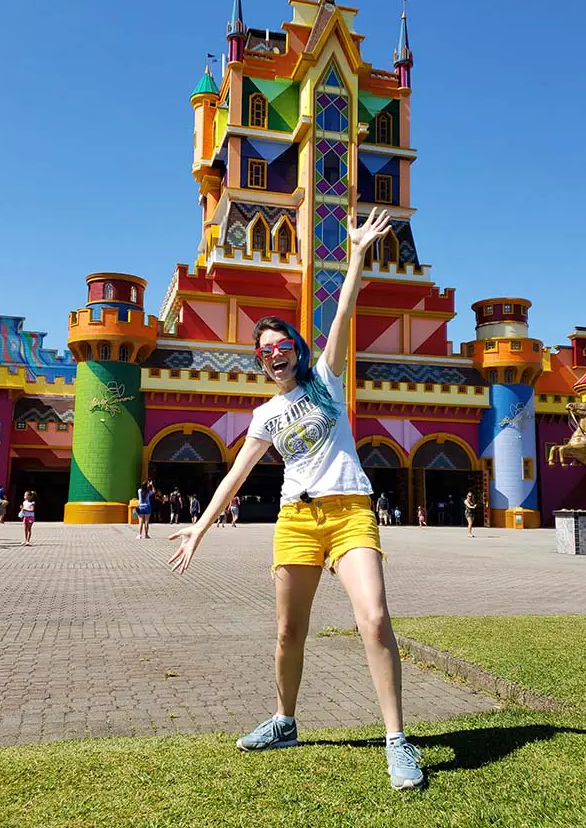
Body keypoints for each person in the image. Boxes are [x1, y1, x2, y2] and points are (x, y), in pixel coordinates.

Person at [168, 207, 424, 791]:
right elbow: (236, 473)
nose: (274, 354)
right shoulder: (264, 414)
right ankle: (284, 720)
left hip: (350, 509)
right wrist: (201, 527)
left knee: (375, 617)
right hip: (295, 519)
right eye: (264, 350)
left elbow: (343, 313)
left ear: (297, 350)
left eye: (282, 345)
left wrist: (356, 252)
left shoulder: (326, 380)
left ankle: (397, 740)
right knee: (289, 632)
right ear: (259, 361)